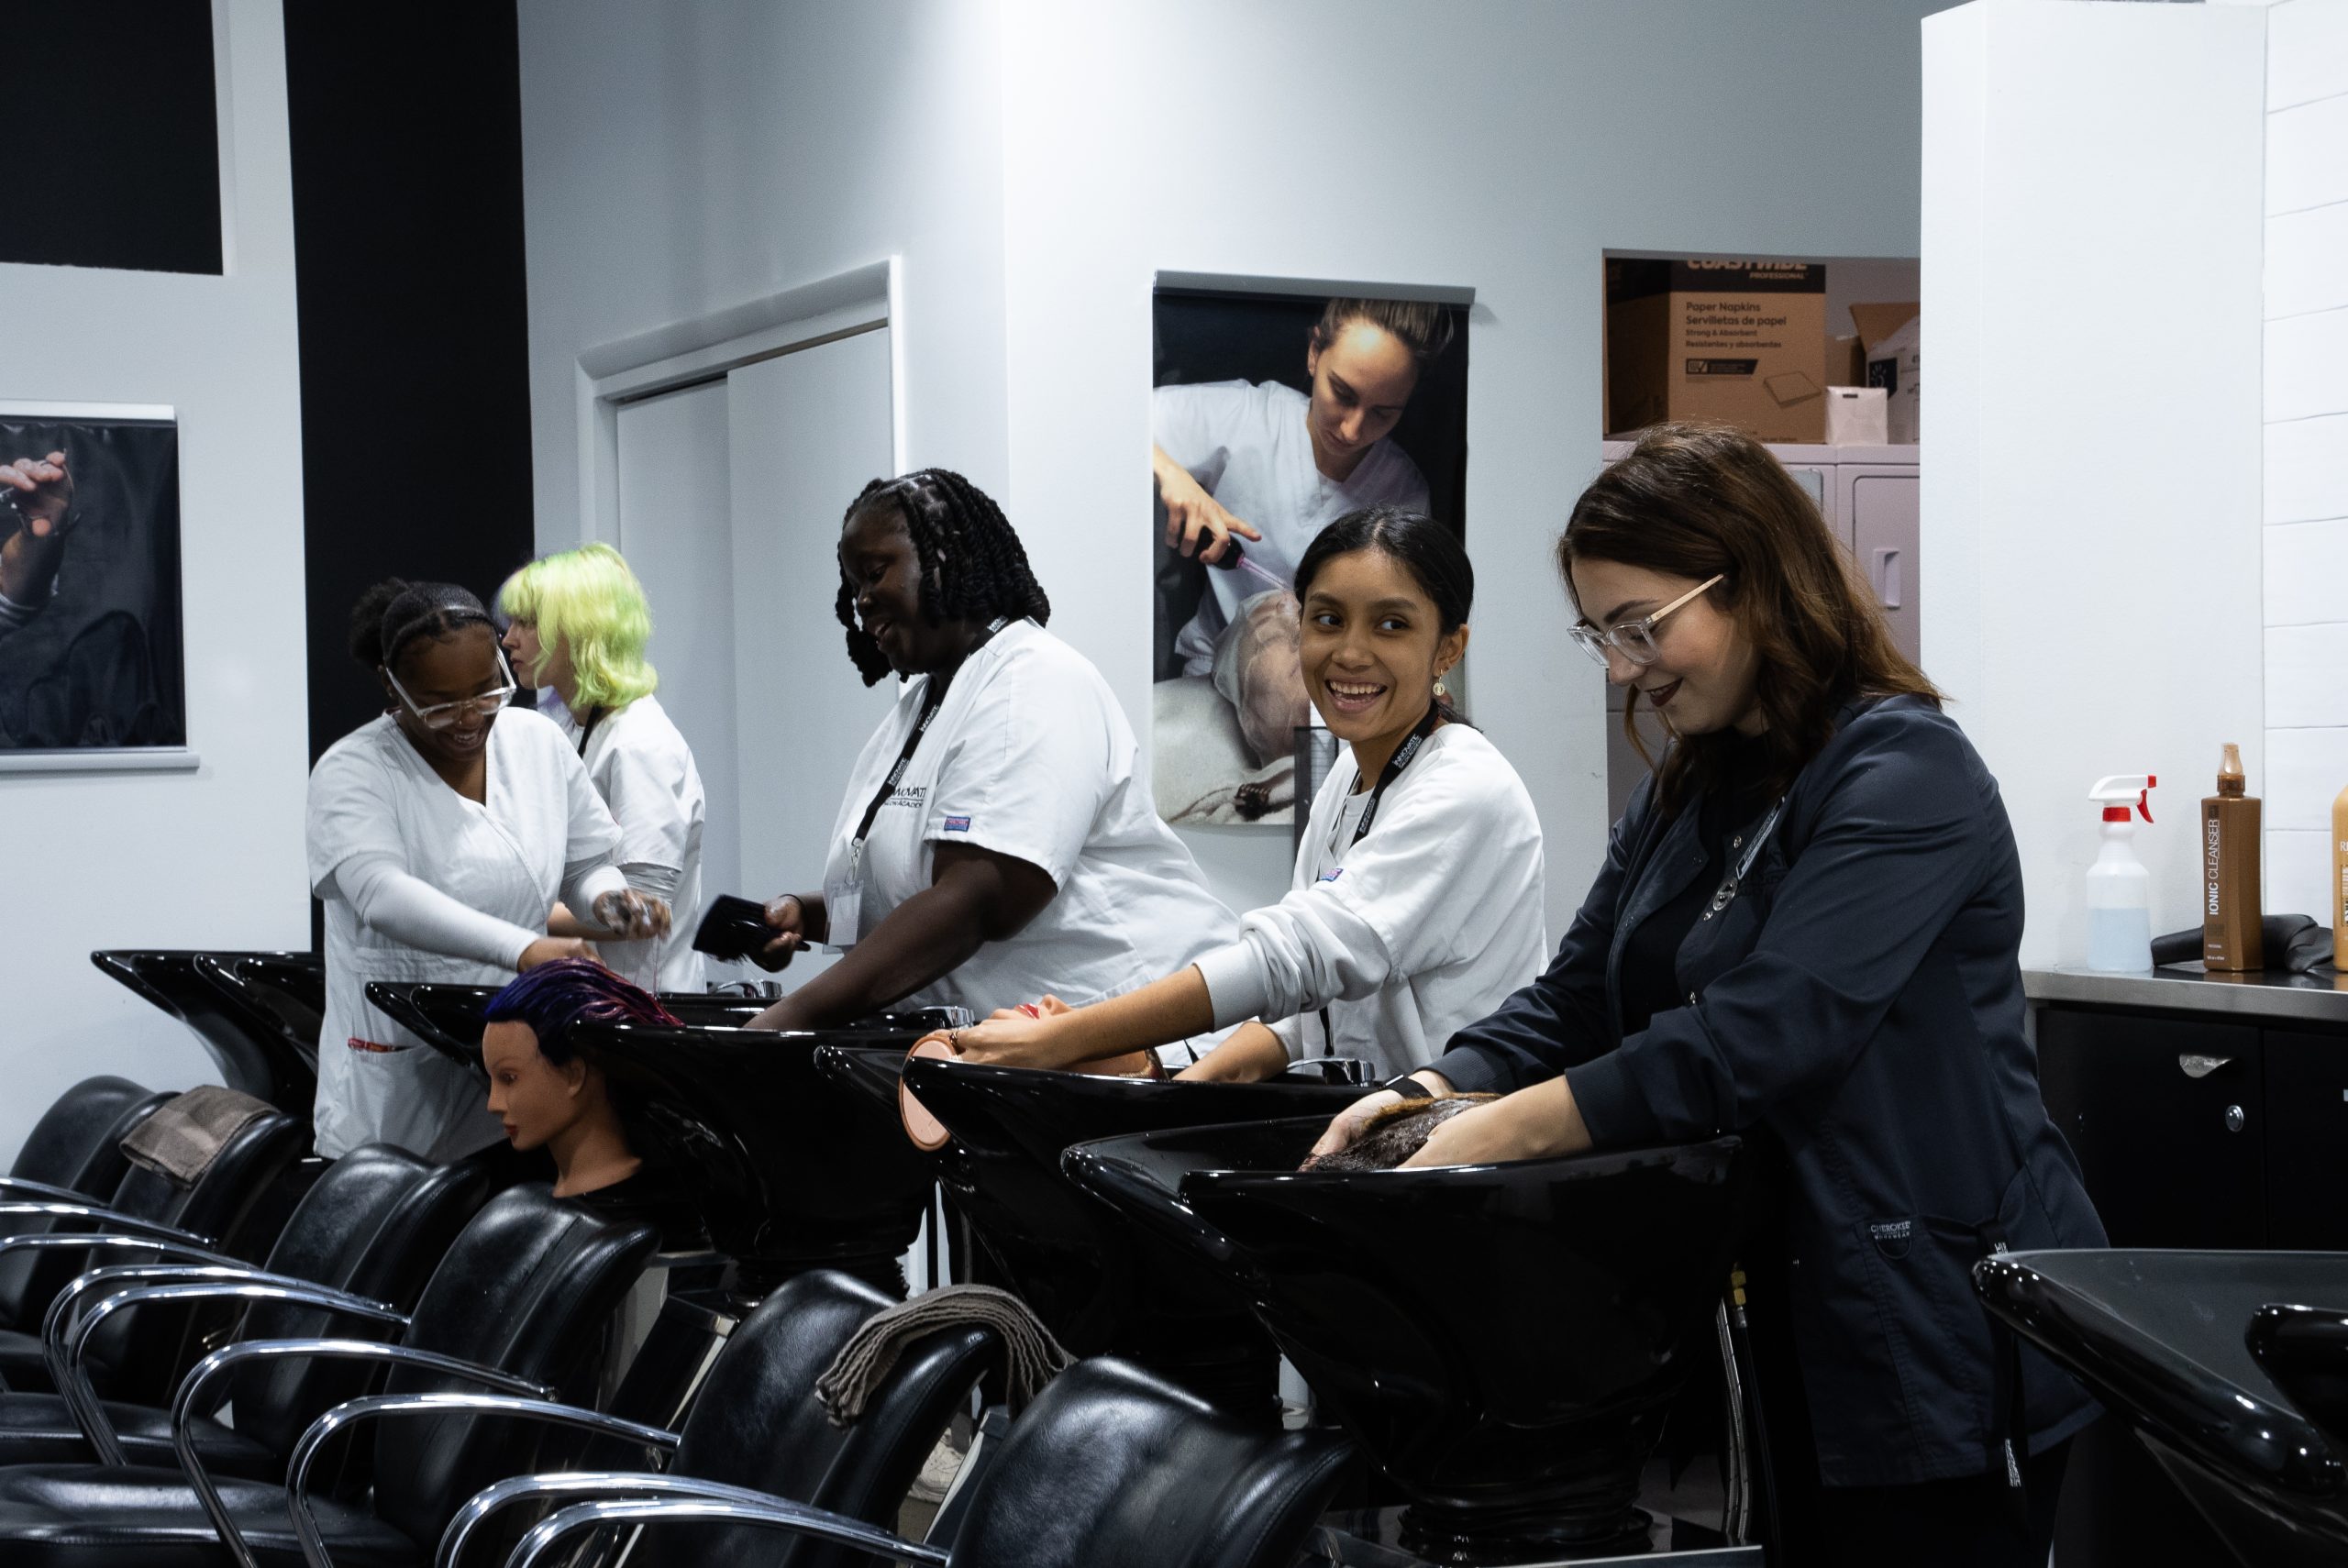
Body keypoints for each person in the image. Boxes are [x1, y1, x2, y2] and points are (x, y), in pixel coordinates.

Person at [1309, 425, 2105, 1568]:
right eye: (1603, 637)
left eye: (1642, 627)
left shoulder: (1908, 774)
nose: (1627, 668)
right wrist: (1431, 1086)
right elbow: (1582, 992)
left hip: (1927, 1304)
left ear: (1753, 577)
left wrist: (1492, 1133)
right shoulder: (1691, 785)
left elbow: (1763, 1033)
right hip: (1770, 1288)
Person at [948, 507, 1545, 1085]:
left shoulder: (1466, 790)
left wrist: (1071, 1036)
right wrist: (1161, 1074)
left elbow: (1298, 956)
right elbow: (1308, 1018)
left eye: (1392, 624)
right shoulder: (1347, 775)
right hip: (1368, 1120)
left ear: (1448, 647)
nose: (1350, 653)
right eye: (1328, 619)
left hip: (1449, 1146)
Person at [748, 469, 1237, 1064]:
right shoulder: (919, 711)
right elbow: (906, 893)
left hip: (1155, 1050)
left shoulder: (1032, 682)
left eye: (875, 574)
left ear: (945, 557)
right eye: (853, 584)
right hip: (1028, 1059)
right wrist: (809, 915)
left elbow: (977, 899)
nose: (862, 599)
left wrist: (783, 1023)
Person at [307, 580, 670, 1161]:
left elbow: (586, 865)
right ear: (391, 687)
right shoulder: (354, 770)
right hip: (397, 1079)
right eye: (438, 702)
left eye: (485, 691)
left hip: (514, 1066)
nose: (467, 718)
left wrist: (610, 900)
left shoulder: (537, 743)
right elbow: (381, 894)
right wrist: (523, 949)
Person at [1151, 299, 1455, 824]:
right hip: (1221, 664)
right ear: (1315, 353)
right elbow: (1106, 408)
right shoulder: (1250, 418)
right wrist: (1170, 474)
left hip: (1339, 689)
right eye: (1343, 394)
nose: (1355, 429)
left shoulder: (1404, 491)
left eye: (1384, 412)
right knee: (1279, 660)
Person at [500, 543, 708, 995]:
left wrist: (507, 909)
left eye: (528, 623)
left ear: (578, 631)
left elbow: (641, 915)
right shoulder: (576, 731)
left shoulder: (640, 745)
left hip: (642, 1008)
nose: (508, 639)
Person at [481, 957, 703, 1240]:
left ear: (574, 1074)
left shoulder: (623, 1229)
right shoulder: (526, 1206)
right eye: (492, 1080)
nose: (493, 1104)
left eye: (509, 1078)